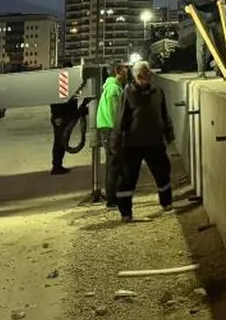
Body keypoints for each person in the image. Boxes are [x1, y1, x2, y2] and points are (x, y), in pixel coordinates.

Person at [110, 61, 174, 222]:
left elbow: (164, 114)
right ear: (137, 76)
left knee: (163, 173)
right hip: (133, 144)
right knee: (127, 178)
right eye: (144, 74)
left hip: (155, 142)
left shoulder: (158, 91)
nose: (148, 76)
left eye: (148, 73)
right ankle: (125, 212)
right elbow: (121, 118)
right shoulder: (128, 93)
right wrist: (116, 141)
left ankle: (167, 203)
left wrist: (169, 135)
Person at [94, 61, 129, 207]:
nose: (128, 76)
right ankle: (113, 199)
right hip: (111, 130)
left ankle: (114, 198)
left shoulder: (110, 87)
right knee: (115, 166)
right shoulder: (114, 90)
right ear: (118, 72)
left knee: (113, 164)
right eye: (126, 73)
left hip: (106, 130)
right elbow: (116, 114)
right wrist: (120, 131)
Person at [49, 93, 93, 175]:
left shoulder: (65, 88)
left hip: (62, 115)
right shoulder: (61, 88)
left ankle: (57, 165)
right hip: (60, 116)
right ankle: (56, 166)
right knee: (60, 142)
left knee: (61, 142)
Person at [192, 0, 222, 76]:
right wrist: (187, 8)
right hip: (202, 22)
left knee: (218, 45)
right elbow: (185, 1)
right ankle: (201, 71)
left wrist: (222, 2)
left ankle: (220, 69)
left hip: (214, 21)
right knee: (201, 46)